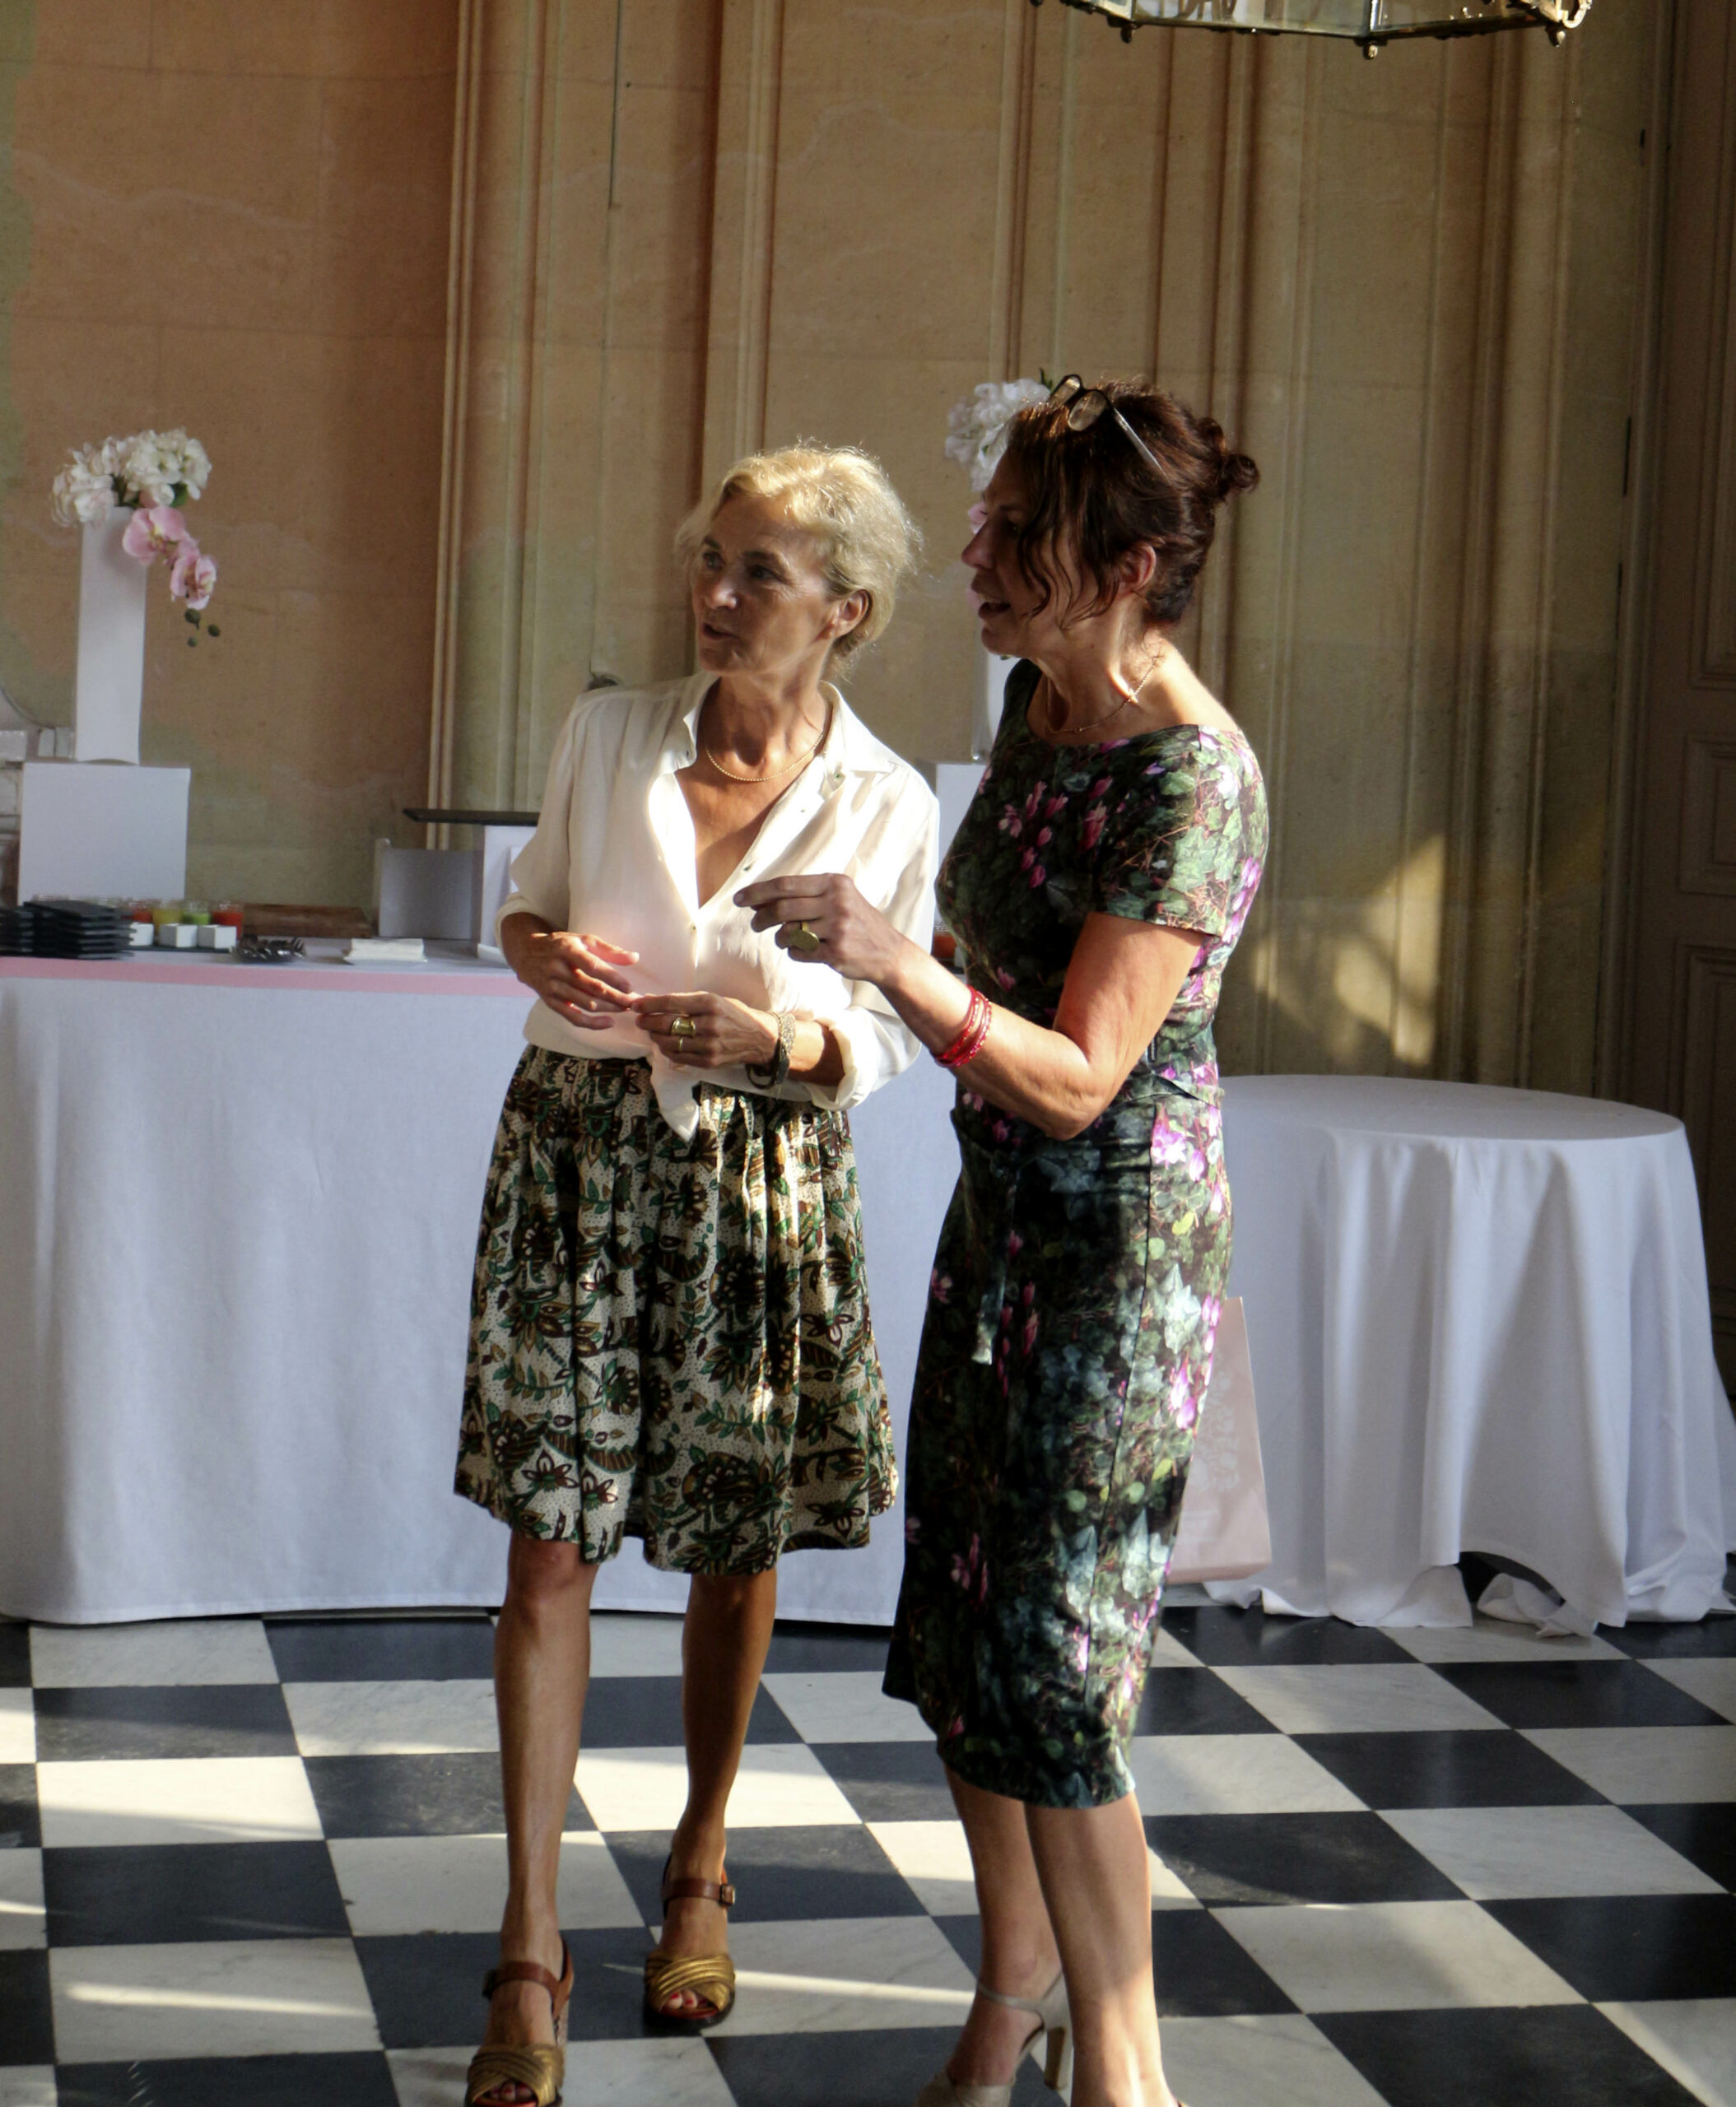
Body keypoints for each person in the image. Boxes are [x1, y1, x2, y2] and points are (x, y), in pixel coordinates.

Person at [740, 378, 1266, 2107]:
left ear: (1123, 567)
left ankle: (1125, 2069)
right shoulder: (1042, 705)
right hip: (999, 1235)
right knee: (965, 1641)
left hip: (1115, 1270)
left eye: (1013, 533)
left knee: (1053, 1664)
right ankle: (1011, 1992)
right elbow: (981, 947)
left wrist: (891, 960)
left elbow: (1080, 1076)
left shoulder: (1189, 779)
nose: (971, 554)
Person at [456, 444, 938, 2107]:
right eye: (710, 561)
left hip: (758, 1170)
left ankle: (700, 1861)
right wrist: (547, 952)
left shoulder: (887, 799)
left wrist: (778, 1039)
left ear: (845, 610)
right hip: (575, 1150)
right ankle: (529, 1940)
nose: (714, 595)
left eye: (757, 573)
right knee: (548, 1539)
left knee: (734, 1543)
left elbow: (886, 1028)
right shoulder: (608, 732)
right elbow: (523, 910)